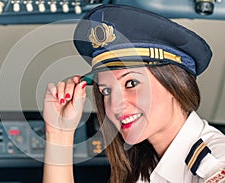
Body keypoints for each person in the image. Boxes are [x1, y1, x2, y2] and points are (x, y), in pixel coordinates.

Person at [42, 4, 225, 183]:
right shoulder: (147, 163)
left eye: (131, 83)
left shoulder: (214, 166)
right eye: (106, 91)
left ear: (175, 84)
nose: (115, 105)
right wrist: (59, 134)